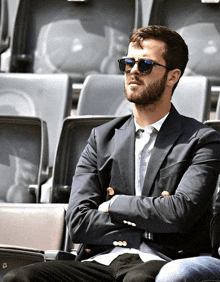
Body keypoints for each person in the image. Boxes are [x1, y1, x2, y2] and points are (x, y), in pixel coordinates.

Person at [4, 25, 220, 282]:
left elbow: (179, 212)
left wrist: (114, 205)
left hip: (161, 261)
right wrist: (146, 226)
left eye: (145, 65)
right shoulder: (101, 138)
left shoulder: (201, 140)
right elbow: (78, 221)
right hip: (102, 259)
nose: (133, 72)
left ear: (172, 76)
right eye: (128, 63)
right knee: (19, 278)